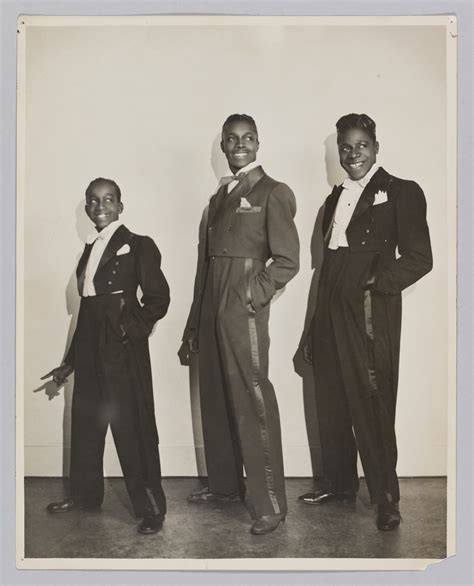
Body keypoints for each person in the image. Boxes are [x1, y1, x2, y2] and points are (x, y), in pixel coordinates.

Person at [297, 113, 433, 531]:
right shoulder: (333, 199)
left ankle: (385, 499)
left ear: (375, 147)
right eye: (345, 147)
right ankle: (338, 485)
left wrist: (375, 281)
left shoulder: (400, 191)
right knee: (332, 399)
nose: (352, 154)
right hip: (331, 304)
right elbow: (327, 267)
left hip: (370, 312)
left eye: (361, 146)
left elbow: (420, 259)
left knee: (372, 403)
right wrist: (312, 327)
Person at [179, 114, 299, 534]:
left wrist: (251, 294)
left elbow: (287, 261)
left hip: (240, 304)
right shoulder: (217, 199)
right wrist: (193, 324)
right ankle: (225, 486)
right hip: (211, 303)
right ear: (224, 148)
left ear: (258, 142)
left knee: (252, 398)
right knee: (214, 393)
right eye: (232, 140)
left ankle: (269, 504)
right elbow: (203, 268)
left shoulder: (273, 192)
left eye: (247, 138)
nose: (240, 145)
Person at [42, 177, 170, 535]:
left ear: (120, 205)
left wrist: (129, 331)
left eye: (109, 199)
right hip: (90, 353)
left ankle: (152, 510)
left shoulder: (138, 245)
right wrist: (69, 362)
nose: (101, 206)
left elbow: (158, 298)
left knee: (133, 430)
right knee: (86, 425)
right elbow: (88, 312)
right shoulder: (88, 249)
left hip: (123, 353)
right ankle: (84, 497)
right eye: (94, 200)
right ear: (87, 208)